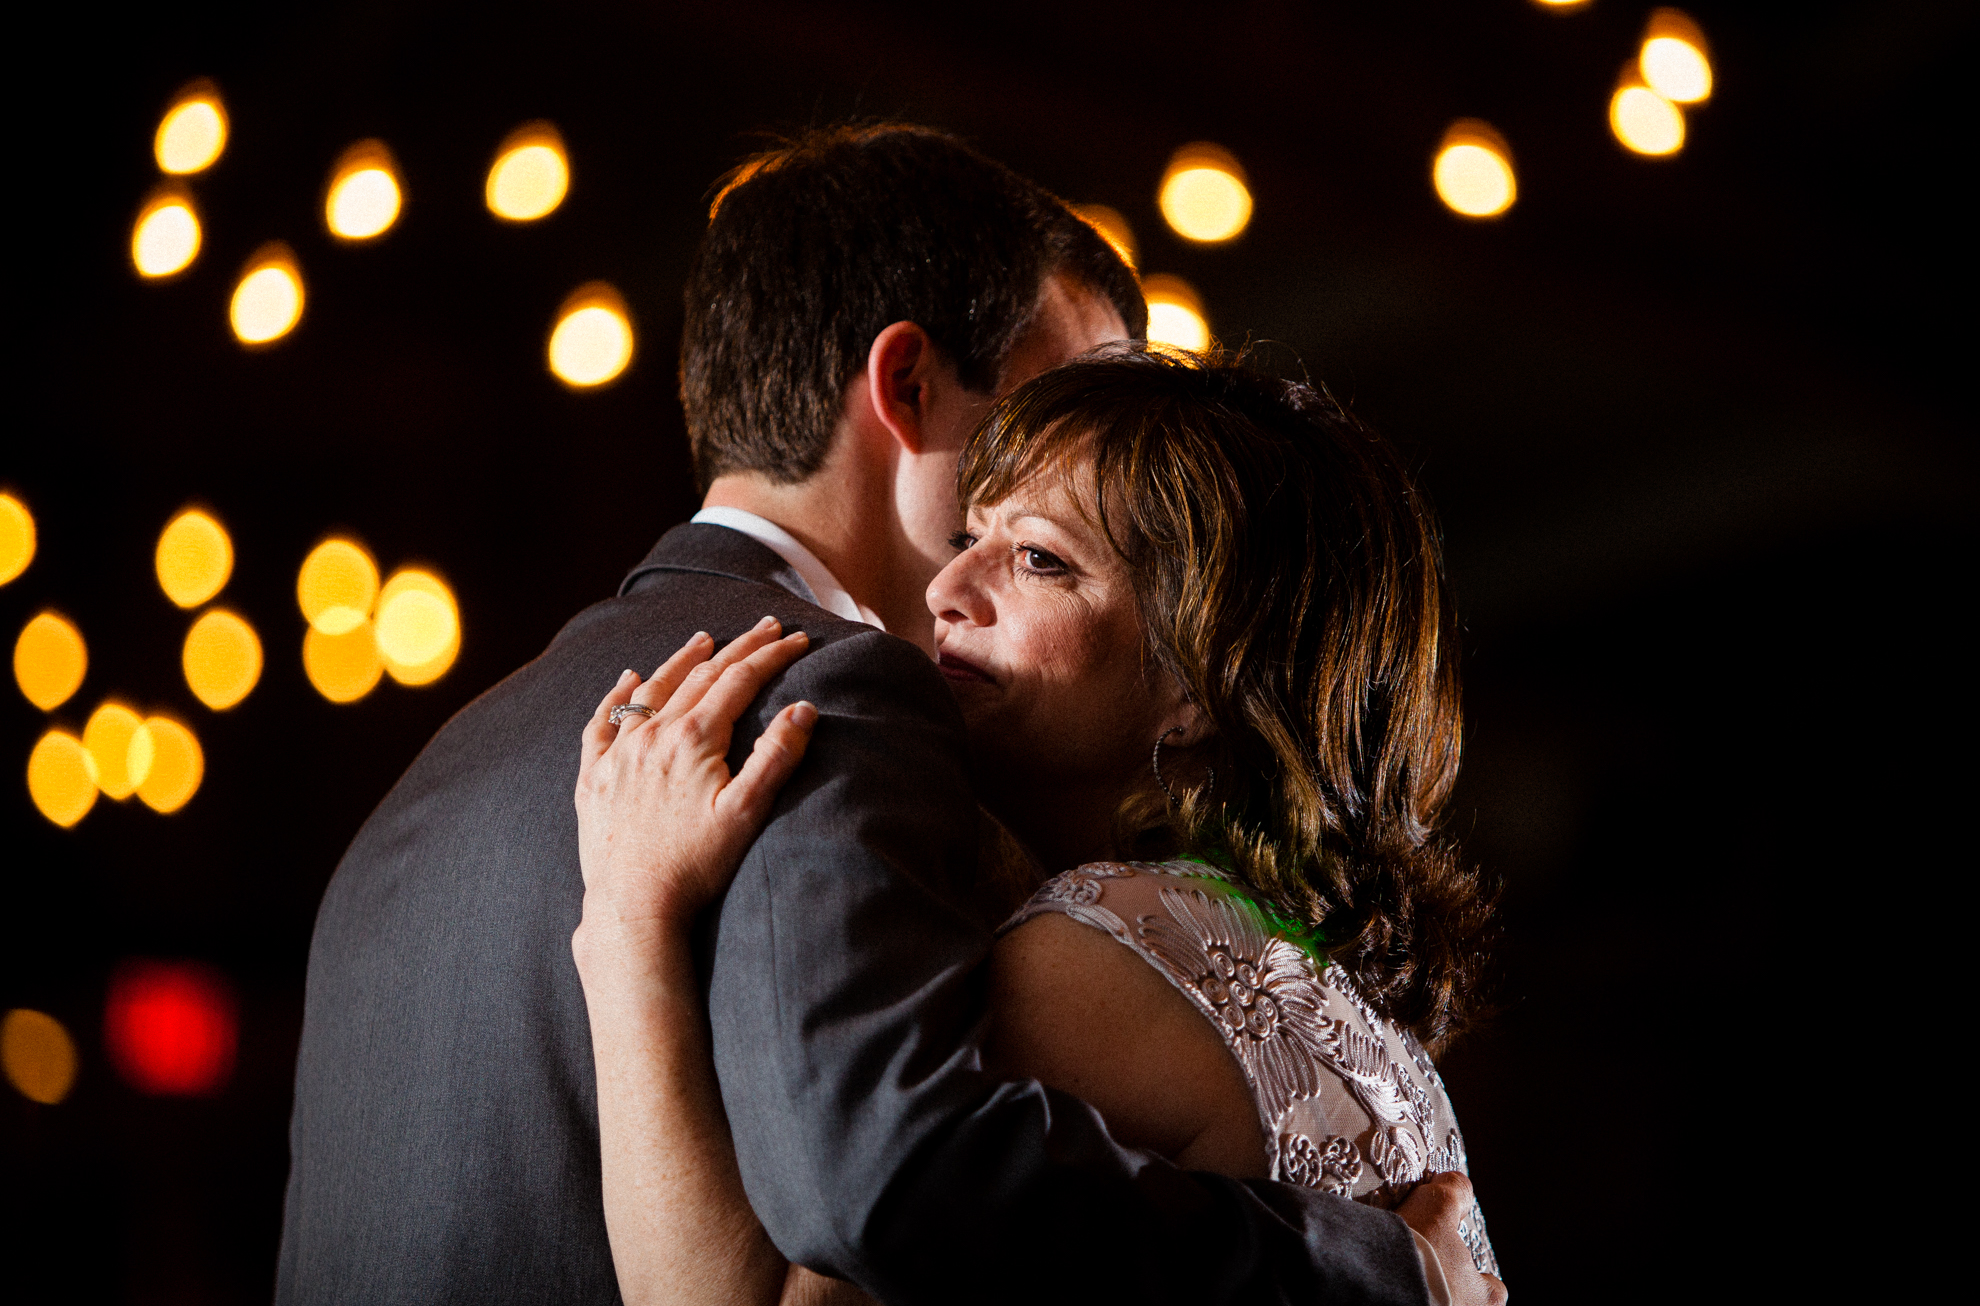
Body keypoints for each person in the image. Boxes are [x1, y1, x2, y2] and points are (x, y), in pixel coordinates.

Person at [277, 124, 1470, 1306]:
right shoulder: (835, 695)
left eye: (1046, 550)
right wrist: (1363, 1273)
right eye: (1053, 408)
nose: (965, 576)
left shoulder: (426, 783)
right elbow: (883, 1184)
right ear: (906, 384)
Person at [574, 348, 1507, 1306]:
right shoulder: (1293, 961)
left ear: (1198, 680)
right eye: (966, 538)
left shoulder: (1113, 950)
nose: (945, 590)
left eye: (1037, 559)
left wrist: (627, 919)